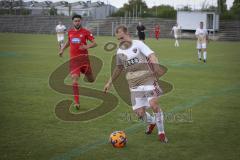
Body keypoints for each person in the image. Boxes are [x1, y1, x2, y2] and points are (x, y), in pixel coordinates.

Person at [104, 25, 168, 143]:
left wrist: (156, 66)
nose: (121, 41)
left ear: (127, 33)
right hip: (133, 84)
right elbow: (118, 68)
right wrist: (109, 82)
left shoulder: (138, 44)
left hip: (147, 78)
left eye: (122, 37)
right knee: (140, 113)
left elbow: (151, 55)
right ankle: (152, 122)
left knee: (153, 104)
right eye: (119, 39)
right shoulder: (119, 51)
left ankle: (161, 133)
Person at [59, 15, 97, 110]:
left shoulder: (86, 32)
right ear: (73, 22)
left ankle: (87, 74)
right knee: (74, 79)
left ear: (81, 21)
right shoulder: (70, 32)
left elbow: (94, 43)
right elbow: (69, 41)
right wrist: (62, 49)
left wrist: (86, 47)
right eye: (75, 21)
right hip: (74, 61)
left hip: (84, 60)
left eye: (78, 21)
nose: (77, 22)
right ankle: (76, 102)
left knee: (91, 80)